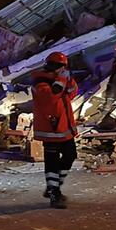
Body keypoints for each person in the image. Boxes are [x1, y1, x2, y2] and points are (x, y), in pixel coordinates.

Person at [32, 51, 78, 209]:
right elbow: (50, 98)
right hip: (50, 128)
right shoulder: (41, 81)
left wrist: (68, 80)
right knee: (51, 162)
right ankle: (54, 193)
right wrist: (62, 79)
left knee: (71, 155)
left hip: (64, 127)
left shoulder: (59, 79)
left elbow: (72, 94)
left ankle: (54, 186)